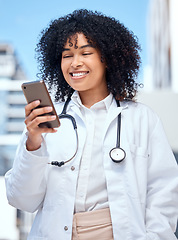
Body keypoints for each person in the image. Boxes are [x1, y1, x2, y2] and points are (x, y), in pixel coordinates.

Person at [5, 9, 178, 240]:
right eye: (67, 55)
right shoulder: (45, 122)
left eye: (86, 53)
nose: (75, 63)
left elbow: (163, 194)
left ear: (108, 58)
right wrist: (34, 143)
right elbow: (22, 200)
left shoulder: (142, 119)